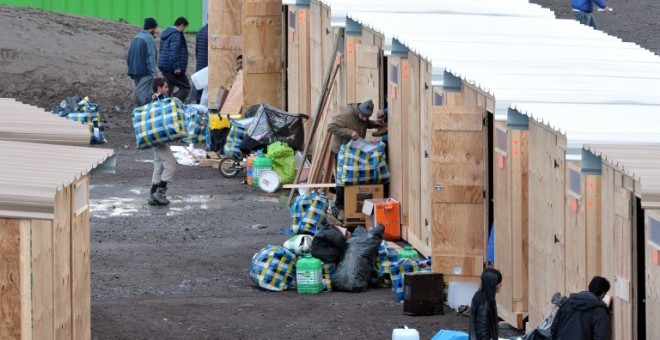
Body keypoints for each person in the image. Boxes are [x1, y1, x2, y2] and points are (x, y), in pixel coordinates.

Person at [327, 99, 381, 219]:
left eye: (367, 117)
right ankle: (341, 207)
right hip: (341, 151)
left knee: (354, 178)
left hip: (353, 150)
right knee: (342, 179)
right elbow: (331, 127)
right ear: (358, 111)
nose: (364, 119)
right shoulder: (346, 115)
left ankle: (352, 205)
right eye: (363, 116)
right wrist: (349, 132)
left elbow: (364, 123)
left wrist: (374, 124)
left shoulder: (363, 117)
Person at [147, 77, 177, 206]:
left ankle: (153, 194)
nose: (167, 89)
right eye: (165, 87)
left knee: (158, 165)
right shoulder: (159, 101)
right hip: (159, 139)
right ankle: (160, 192)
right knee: (171, 164)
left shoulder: (150, 100)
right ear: (159, 88)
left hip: (153, 138)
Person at [127, 17, 159, 106]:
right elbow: (151, 57)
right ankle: (146, 113)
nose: (156, 31)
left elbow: (128, 56)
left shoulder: (136, 37)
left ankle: (142, 113)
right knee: (146, 96)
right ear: (152, 28)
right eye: (155, 28)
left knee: (140, 93)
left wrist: (130, 69)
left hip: (134, 71)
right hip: (145, 72)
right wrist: (154, 73)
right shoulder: (149, 39)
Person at [158, 16, 191, 102]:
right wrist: (176, 67)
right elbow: (174, 51)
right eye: (184, 27)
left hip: (164, 65)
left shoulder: (166, 33)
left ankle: (161, 106)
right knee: (186, 87)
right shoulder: (176, 35)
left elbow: (161, 50)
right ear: (181, 25)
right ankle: (173, 104)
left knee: (168, 88)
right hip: (172, 67)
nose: (184, 29)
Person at [469, 267, 503, 340]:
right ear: (492, 283)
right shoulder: (484, 304)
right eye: (498, 282)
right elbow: (482, 332)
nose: (501, 285)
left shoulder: (481, 295)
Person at [188, 23, 208, 104]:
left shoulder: (200, 31)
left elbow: (197, 50)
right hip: (207, 63)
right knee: (205, 90)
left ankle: (194, 103)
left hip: (200, 62)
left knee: (198, 86)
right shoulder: (212, 32)